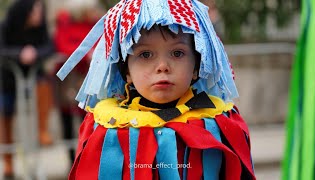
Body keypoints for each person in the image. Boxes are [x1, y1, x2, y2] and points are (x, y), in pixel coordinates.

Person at [57, 0, 256, 179]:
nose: (162, 66)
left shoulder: (221, 125)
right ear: (126, 71)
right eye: (145, 54)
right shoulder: (105, 130)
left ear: (196, 66)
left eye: (177, 53)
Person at [0, 0, 54, 178]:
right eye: (35, 11)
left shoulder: (40, 28)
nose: (39, 15)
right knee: (4, 117)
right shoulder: (6, 26)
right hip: (7, 80)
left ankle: (42, 131)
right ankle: (8, 162)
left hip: (33, 77)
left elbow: (50, 47)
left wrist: (35, 53)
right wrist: (20, 54)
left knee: (44, 86)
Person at [53, 6, 103, 166]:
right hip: (69, 79)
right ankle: (71, 159)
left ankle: (87, 157)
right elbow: (62, 45)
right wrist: (85, 54)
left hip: (87, 78)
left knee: (88, 119)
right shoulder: (65, 22)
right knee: (67, 119)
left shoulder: (94, 23)